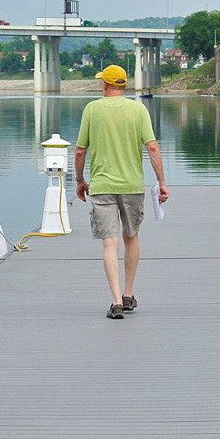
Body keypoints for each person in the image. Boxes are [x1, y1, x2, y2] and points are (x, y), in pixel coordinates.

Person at [75, 65, 169, 320]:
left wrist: (80, 181)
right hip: (131, 186)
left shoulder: (92, 110)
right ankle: (128, 294)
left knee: (110, 244)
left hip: (102, 187)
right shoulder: (138, 109)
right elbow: (152, 147)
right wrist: (161, 182)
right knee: (132, 237)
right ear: (123, 86)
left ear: (105, 85)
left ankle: (115, 301)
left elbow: (80, 151)